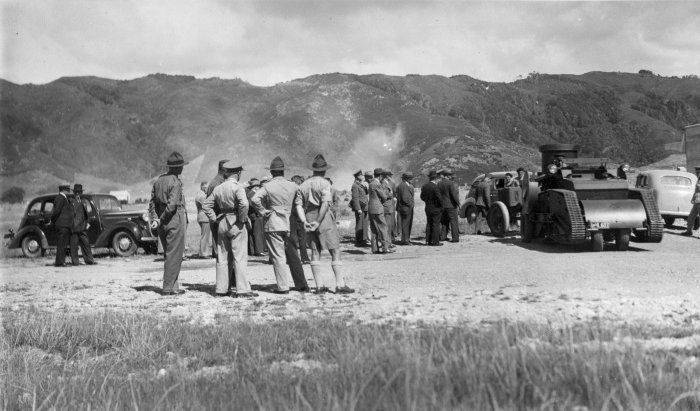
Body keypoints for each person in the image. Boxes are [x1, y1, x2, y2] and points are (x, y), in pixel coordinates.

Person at [294, 154, 354, 293]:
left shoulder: (303, 185)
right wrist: (318, 221)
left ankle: (319, 286)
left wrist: (305, 221)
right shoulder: (325, 183)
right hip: (323, 218)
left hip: (308, 216)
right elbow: (325, 204)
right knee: (335, 250)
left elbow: (298, 205)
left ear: (313, 170)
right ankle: (340, 285)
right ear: (324, 170)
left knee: (315, 251)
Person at [251, 156, 309, 293]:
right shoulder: (294, 185)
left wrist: (263, 211)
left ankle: (283, 287)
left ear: (271, 172)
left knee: (278, 256)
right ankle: (302, 284)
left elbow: (254, 199)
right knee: (294, 254)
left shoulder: (268, 186)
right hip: (290, 222)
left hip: (274, 222)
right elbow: (300, 201)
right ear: (283, 172)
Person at [202, 161, 257, 297]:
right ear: (238, 173)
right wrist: (242, 219)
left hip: (222, 222)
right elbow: (244, 204)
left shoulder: (218, 188)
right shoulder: (238, 187)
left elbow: (206, 206)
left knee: (222, 257)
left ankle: (221, 289)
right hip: (236, 221)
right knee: (239, 257)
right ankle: (242, 289)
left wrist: (215, 218)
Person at [148, 152, 188, 296]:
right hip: (173, 221)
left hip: (161, 224)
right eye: (181, 166)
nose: (182, 169)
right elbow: (171, 207)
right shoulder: (175, 182)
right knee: (175, 255)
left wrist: (155, 220)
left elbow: (152, 202)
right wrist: (160, 219)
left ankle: (174, 288)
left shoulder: (158, 181)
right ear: (177, 168)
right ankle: (167, 288)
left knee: (169, 254)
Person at [206, 159, 230, 259]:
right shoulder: (218, 183)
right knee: (219, 240)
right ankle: (218, 255)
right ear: (224, 169)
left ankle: (218, 254)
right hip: (218, 215)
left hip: (216, 215)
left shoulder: (216, 181)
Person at [69, 184, 96, 265]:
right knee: (74, 246)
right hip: (74, 227)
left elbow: (87, 214)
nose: (77, 194)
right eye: (76, 192)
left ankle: (89, 261)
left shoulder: (84, 201)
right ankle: (75, 262)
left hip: (83, 226)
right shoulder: (70, 201)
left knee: (86, 244)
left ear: (81, 193)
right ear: (74, 193)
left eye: (79, 192)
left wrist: (88, 223)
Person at [50, 185, 74, 267]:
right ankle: (60, 262)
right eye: (68, 190)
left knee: (63, 244)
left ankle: (60, 261)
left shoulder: (63, 198)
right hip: (62, 225)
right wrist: (53, 220)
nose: (69, 192)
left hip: (64, 225)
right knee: (61, 244)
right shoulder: (60, 198)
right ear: (64, 190)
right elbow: (56, 211)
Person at [368, 168, 391, 254]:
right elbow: (384, 197)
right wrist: (388, 194)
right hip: (378, 208)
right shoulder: (376, 184)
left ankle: (374, 249)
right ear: (380, 175)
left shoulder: (371, 183)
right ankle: (385, 248)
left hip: (371, 208)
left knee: (374, 229)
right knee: (383, 227)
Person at [289, 175, 311, 264]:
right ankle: (305, 258)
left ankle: (294, 258)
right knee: (303, 238)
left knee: (293, 238)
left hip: (292, 216)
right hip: (302, 216)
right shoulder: (304, 191)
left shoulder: (290, 191)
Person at [420, 170, 443, 246]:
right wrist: (440, 206)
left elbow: (422, 197)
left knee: (429, 224)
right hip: (436, 208)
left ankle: (428, 241)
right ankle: (436, 241)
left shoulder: (425, 186)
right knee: (436, 224)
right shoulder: (435, 187)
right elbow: (439, 198)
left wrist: (427, 201)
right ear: (435, 178)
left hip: (428, 207)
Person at [438, 169, 460, 242]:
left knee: (444, 222)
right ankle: (455, 238)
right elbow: (454, 195)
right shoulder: (451, 183)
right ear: (447, 176)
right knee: (454, 222)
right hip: (451, 206)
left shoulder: (439, 183)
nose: (451, 176)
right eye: (450, 175)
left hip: (442, 206)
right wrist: (458, 203)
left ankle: (443, 237)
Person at [246, 178, 267, 256]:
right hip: (256, 215)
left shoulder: (249, 193)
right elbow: (253, 204)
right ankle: (259, 250)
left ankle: (252, 250)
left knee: (252, 234)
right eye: (258, 186)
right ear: (255, 187)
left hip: (252, 215)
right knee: (258, 233)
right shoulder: (253, 194)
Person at [350, 170, 370, 247]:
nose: (362, 176)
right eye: (361, 175)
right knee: (359, 225)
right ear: (357, 177)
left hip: (364, 207)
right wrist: (358, 209)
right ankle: (359, 241)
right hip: (360, 208)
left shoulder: (361, 185)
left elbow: (366, 194)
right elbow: (355, 198)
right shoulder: (355, 185)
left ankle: (363, 240)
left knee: (364, 225)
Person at [395, 172, 415, 245]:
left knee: (405, 224)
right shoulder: (404, 186)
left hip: (403, 207)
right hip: (406, 208)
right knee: (406, 224)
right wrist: (411, 204)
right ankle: (406, 240)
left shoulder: (401, 185)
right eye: (410, 178)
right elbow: (405, 198)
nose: (411, 180)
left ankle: (405, 239)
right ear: (407, 178)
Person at [194, 181, 212, 258]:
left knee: (204, 235)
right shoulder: (202, 195)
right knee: (205, 236)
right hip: (204, 217)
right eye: (206, 187)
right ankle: (203, 253)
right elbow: (207, 205)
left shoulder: (199, 194)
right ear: (203, 187)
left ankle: (203, 252)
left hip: (202, 216)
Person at [381, 170, 396, 248]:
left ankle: (389, 242)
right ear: (386, 176)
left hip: (389, 206)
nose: (391, 176)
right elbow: (384, 195)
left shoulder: (389, 183)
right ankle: (387, 243)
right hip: (386, 207)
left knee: (389, 225)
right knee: (386, 226)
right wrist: (390, 195)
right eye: (389, 175)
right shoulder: (383, 183)